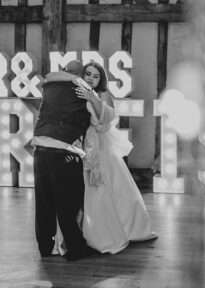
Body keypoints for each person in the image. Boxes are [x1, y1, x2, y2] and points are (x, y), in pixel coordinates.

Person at [49, 61, 157, 254]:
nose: (91, 78)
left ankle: (122, 229)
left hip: (101, 148)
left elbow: (106, 119)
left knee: (110, 187)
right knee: (79, 193)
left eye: (95, 75)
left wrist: (93, 99)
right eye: (88, 74)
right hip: (82, 146)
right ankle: (78, 233)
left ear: (101, 79)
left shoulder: (104, 95)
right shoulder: (75, 92)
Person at [31, 60, 94, 261]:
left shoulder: (48, 86)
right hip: (64, 150)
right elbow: (97, 117)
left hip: (40, 147)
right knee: (68, 203)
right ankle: (75, 249)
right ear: (80, 74)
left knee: (43, 203)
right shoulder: (81, 87)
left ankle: (45, 247)